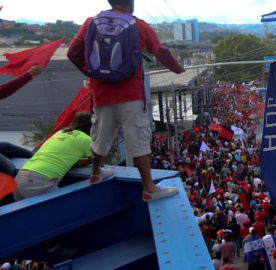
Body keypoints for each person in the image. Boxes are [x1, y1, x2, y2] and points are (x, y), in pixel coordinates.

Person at [68, 0, 185, 201]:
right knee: (138, 141)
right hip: (131, 95)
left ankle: (95, 173)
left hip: (101, 94)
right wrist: (178, 68)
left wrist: (91, 73)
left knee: (100, 136)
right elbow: (161, 51)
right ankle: (149, 189)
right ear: (131, 3)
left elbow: (73, 53)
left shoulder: (90, 23)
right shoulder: (139, 25)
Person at [13, 112, 93, 201]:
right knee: (67, 208)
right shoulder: (86, 139)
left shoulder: (60, 133)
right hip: (38, 181)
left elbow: (69, 161)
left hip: (20, 178)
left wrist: (89, 160)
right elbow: (98, 159)